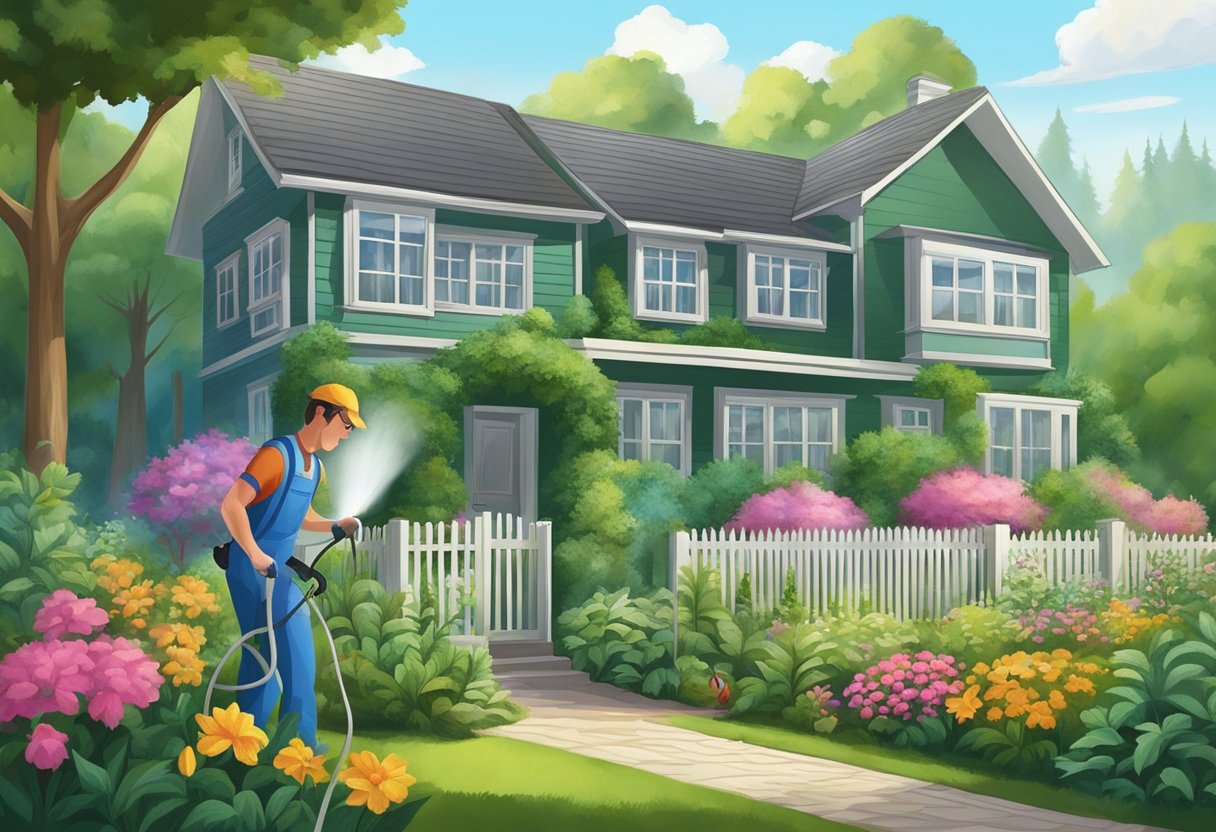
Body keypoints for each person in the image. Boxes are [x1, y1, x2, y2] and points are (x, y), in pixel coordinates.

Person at [219, 383, 364, 748]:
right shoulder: (276, 455)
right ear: (321, 413)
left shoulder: (314, 468)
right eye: (346, 425)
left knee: (264, 657)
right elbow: (232, 505)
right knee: (280, 653)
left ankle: (244, 742)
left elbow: (303, 515)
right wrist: (254, 553)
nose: (346, 435)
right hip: (250, 566)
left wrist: (334, 525)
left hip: (276, 569)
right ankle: (295, 746)